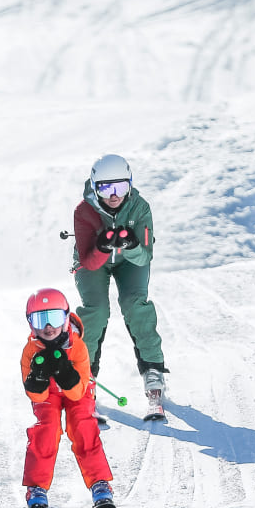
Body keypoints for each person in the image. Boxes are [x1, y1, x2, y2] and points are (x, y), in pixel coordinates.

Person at [72, 153, 168, 401]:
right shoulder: (84, 211)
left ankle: (153, 368)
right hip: (94, 260)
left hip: (129, 261)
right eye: (106, 189)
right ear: (95, 188)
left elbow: (144, 257)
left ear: (130, 185)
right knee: (96, 310)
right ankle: (84, 374)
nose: (114, 195)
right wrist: (103, 246)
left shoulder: (140, 207)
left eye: (121, 187)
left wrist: (131, 245)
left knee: (135, 304)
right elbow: (89, 262)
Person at [21, 287, 115, 508]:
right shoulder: (30, 351)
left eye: (54, 318)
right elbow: (36, 397)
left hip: (77, 390)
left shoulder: (78, 346)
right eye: (40, 320)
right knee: (47, 428)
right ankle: (36, 490)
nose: (48, 327)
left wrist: (65, 374)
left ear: (65, 318)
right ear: (31, 324)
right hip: (49, 394)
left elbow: (77, 393)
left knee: (83, 425)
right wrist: (38, 380)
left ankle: (100, 484)